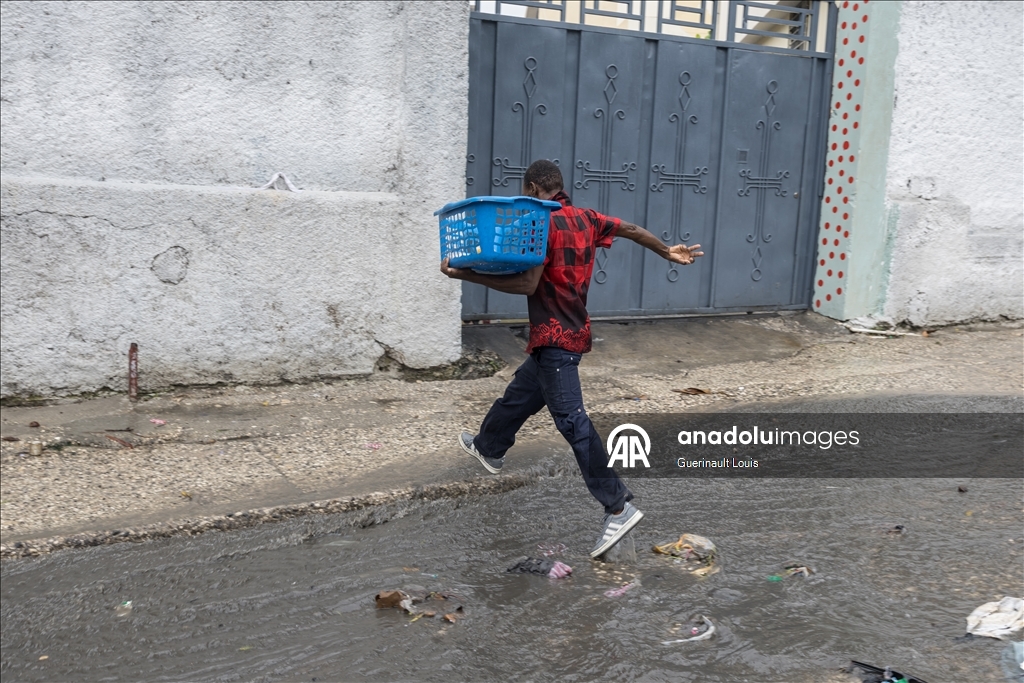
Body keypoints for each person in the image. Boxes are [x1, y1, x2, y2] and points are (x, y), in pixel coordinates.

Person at [440, 159, 705, 558]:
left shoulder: (538, 224)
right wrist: (667, 250)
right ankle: (489, 446)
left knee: (572, 421)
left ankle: (617, 505)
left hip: (555, 337)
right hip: (574, 332)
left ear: (531, 188)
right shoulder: (588, 218)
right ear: (559, 187)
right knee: (521, 393)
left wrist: (466, 275)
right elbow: (631, 230)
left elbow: (528, 282)